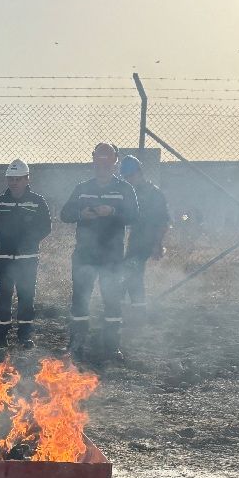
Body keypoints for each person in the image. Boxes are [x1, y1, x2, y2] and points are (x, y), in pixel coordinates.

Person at [60, 142, 139, 363]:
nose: (103, 167)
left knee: (112, 301)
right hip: (84, 255)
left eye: (107, 162)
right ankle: (76, 345)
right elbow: (65, 214)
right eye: (99, 162)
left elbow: (133, 216)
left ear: (115, 163)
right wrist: (81, 213)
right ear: (94, 161)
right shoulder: (82, 187)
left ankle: (112, 347)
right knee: (80, 301)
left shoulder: (124, 189)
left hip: (111, 257)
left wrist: (112, 211)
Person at [0, 159, 51, 349]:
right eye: (11, 179)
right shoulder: (0, 202)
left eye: (18, 179)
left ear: (26, 179)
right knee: (3, 296)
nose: (13, 182)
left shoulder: (37, 202)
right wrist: (7, 241)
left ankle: (25, 336)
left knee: (26, 296)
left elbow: (45, 227)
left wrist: (28, 242)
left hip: (27, 259)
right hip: (3, 258)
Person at [119, 155, 170, 319]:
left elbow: (163, 222)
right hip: (135, 240)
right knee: (131, 274)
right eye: (126, 177)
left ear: (140, 173)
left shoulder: (154, 194)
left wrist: (157, 244)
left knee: (130, 274)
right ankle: (131, 310)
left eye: (131, 176)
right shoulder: (131, 191)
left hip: (146, 241)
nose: (129, 180)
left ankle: (135, 313)